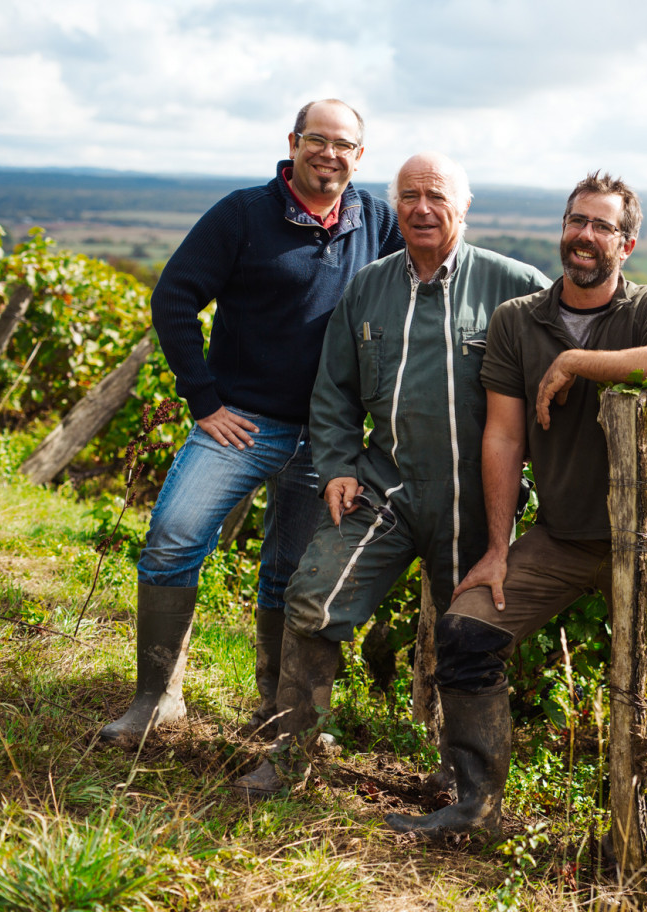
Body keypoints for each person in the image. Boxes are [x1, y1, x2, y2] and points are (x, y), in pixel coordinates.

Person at [385, 171, 647, 839]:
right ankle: (475, 809)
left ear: (628, 243)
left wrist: (577, 365)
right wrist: (499, 551)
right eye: (575, 221)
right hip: (562, 537)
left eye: (602, 226)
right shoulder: (517, 321)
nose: (584, 235)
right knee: (465, 635)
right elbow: (502, 437)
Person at [231, 152, 551, 796]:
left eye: (436, 197)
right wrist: (338, 466)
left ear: (463, 208)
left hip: (477, 499)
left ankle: (467, 791)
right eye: (409, 197)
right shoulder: (369, 287)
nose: (423, 209)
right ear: (393, 206)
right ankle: (291, 758)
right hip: (388, 487)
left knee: (470, 636)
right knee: (314, 597)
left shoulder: (516, 285)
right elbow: (334, 391)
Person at [99, 100, 404, 749]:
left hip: (329, 435)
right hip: (242, 423)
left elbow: (425, 284)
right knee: (174, 539)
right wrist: (204, 400)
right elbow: (174, 297)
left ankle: (275, 710)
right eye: (316, 140)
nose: (329, 152)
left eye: (343, 143)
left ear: (360, 154)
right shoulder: (243, 214)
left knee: (292, 570)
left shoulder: (377, 219)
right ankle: (158, 701)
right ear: (293, 142)